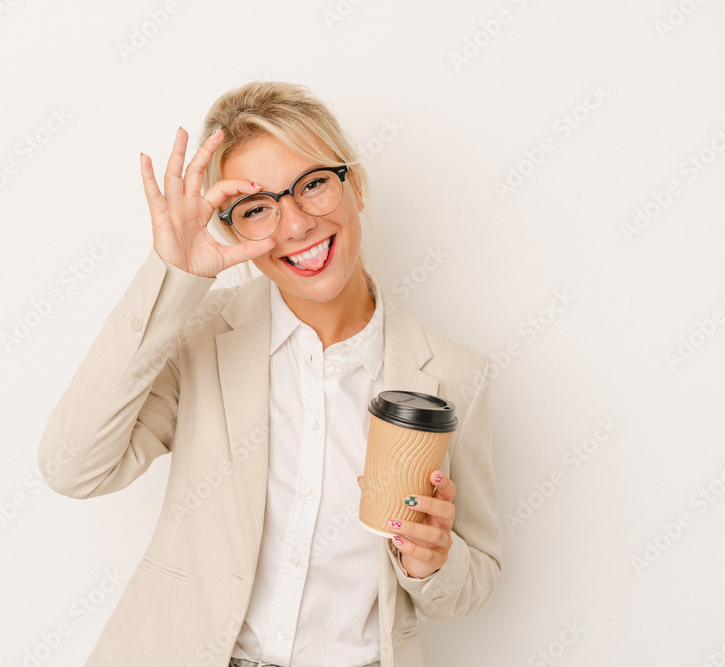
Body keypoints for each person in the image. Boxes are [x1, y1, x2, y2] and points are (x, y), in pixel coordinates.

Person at [37, 81, 502, 667]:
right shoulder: (200, 339)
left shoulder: (453, 376)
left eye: (312, 186)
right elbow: (71, 468)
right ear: (232, 231)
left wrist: (432, 564)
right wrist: (170, 277)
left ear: (353, 184)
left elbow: (476, 578)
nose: (295, 225)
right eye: (258, 208)